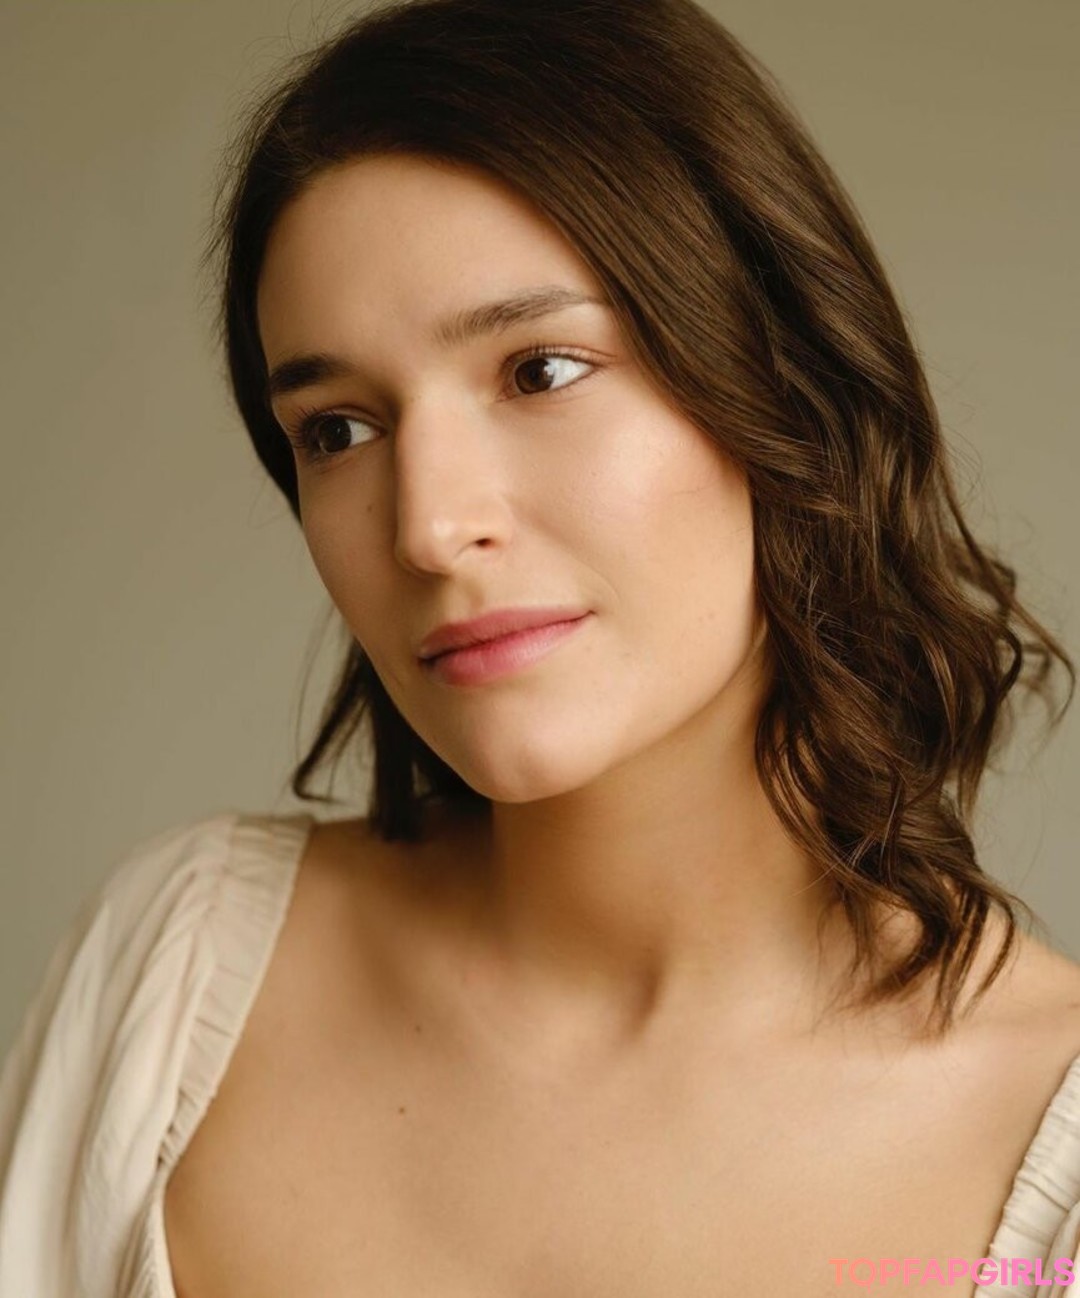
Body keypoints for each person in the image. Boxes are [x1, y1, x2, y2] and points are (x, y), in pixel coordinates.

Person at [1, 0, 1077, 1294]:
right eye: (338, 429)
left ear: (782, 384)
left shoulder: (1047, 1160)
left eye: (541, 371)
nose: (429, 526)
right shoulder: (169, 995)